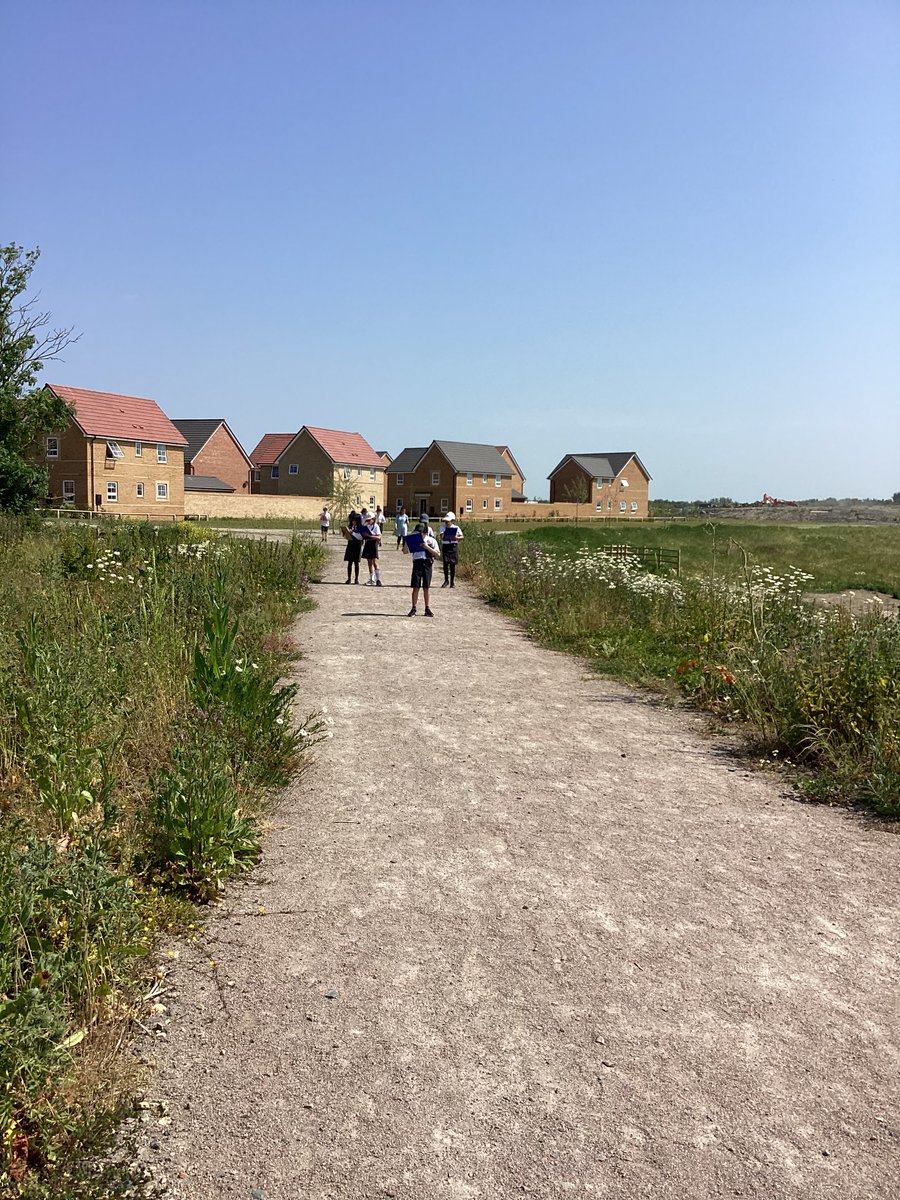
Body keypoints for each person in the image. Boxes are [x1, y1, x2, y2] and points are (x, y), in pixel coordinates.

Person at [406, 519, 440, 616]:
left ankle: (427, 608)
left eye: (420, 533)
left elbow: (437, 553)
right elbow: (405, 551)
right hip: (417, 562)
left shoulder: (431, 540)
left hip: (427, 563)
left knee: (426, 587)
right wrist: (406, 542)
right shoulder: (415, 540)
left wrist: (426, 547)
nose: (419, 535)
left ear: (425, 533)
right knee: (416, 587)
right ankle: (414, 607)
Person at [440, 511, 464, 588]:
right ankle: (446, 580)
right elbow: (441, 536)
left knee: (452, 564)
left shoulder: (456, 528)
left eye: (448, 521)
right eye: (446, 521)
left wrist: (456, 538)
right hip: (446, 546)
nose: (447, 522)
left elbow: (462, 537)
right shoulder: (442, 527)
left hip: (453, 546)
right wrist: (444, 534)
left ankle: (452, 582)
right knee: (445, 564)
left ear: (452, 521)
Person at [361, 512, 383, 586]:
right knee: (369, 562)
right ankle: (372, 579)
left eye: (369, 520)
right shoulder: (367, 526)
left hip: (373, 544)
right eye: (367, 520)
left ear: (373, 519)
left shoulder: (376, 526)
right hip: (367, 544)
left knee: (374, 562)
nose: (368, 521)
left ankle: (378, 579)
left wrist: (370, 536)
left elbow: (379, 537)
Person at [342, 512, 362, 583]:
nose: (353, 522)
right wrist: (345, 534)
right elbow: (347, 537)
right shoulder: (350, 527)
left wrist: (352, 533)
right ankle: (349, 578)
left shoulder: (361, 528)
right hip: (350, 545)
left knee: (356, 563)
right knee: (349, 562)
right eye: (352, 520)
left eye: (354, 520)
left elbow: (360, 537)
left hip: (357, 546)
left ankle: (356, 579)